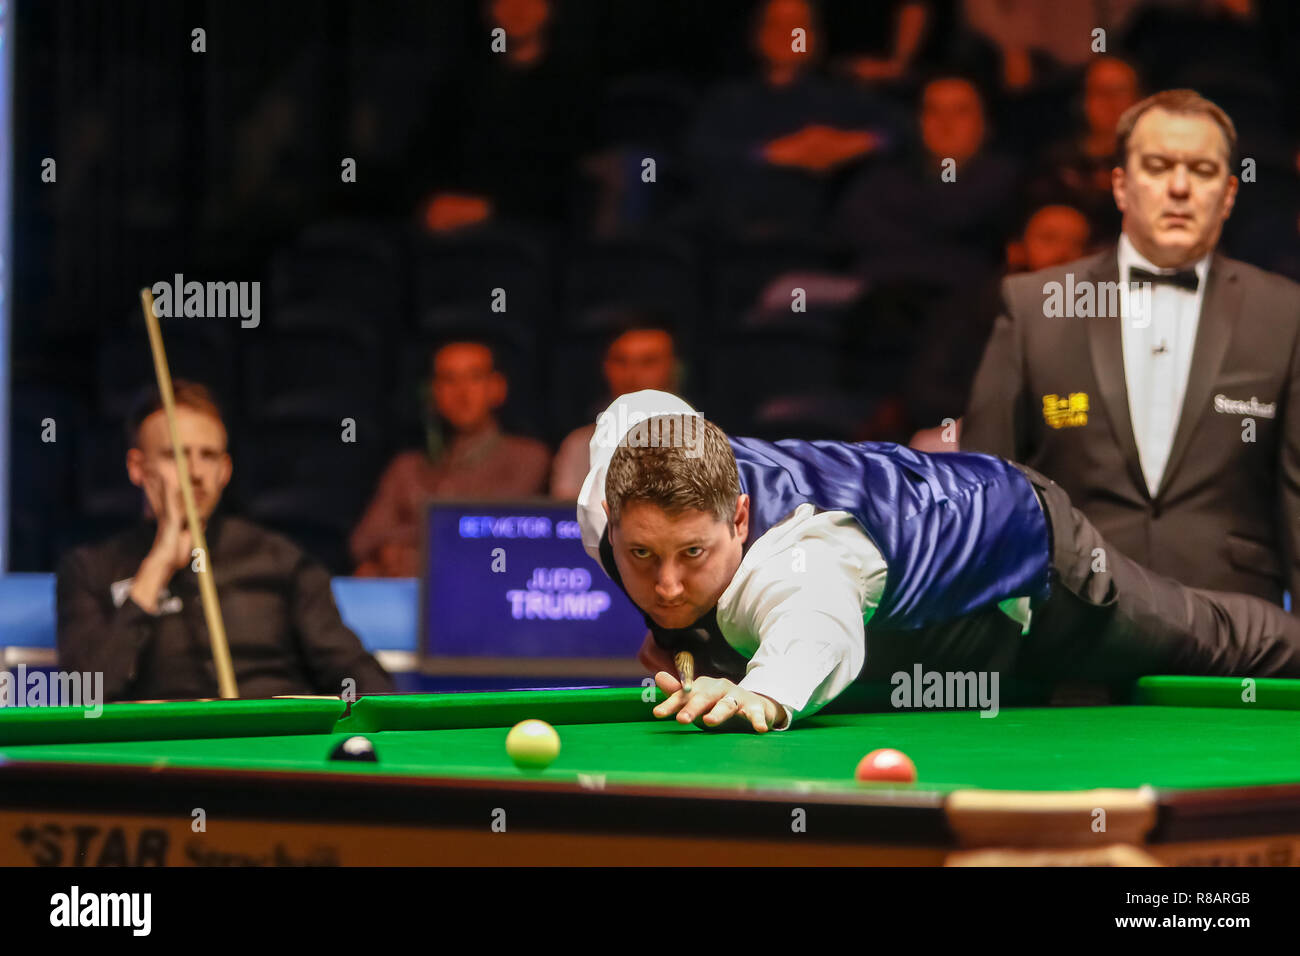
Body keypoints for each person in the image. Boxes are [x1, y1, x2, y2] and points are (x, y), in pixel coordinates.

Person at [577, 390, 1300, 733]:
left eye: (693, 555)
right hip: (915, 623)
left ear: (738, 517)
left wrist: (766, 691)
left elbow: (816, 625)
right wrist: (680, 635)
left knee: (1202, 637)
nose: (666, 584)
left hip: (1023, 552)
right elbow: (636, 409)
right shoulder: (612, 485)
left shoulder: (802, 556)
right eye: (642, 556)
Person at [962, 89, 1300, 606]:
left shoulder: (1285, 314)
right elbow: (987, 489)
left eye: (1203, 171)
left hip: (1236, 632)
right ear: (1121, 184)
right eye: (1159, 166)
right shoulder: (1037, 306)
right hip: (1073, 630)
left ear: (1230, 193)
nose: (1181, 188)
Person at [57, 382, 393, 703]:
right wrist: (157, 568)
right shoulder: (91, 569)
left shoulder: (278, 559)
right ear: (137, 467)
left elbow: (361, 678)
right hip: (157, 752)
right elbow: (85, 695)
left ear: (225, 470)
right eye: (176, 455)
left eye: (208, 455)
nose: (195, 472)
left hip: (269, 746)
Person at [351, 339, 550, 576]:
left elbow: (486, 532)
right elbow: (363, 541)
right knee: (367, 573)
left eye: (474, 377)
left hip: (489, 581)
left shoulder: (526, 457)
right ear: (433, 392)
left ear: (498, 387)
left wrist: (408, 546)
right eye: (448, 379)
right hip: (409, 590)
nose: (462, 392)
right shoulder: (406, 467)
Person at [906, 201, 1091, 451]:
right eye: (1048, 239)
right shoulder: (973, 309)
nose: (1063, 253)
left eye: (1077, 244)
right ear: (1016, 250)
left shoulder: (1098, 316)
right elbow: (927, 393)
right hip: (975, 435)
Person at [550, 320, 680, 499]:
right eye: (621, 361)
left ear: (674, 367)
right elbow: (567, 520)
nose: (632, 374)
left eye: (648, 362)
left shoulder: (704, 445)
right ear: (605, 367)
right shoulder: (578, 446)